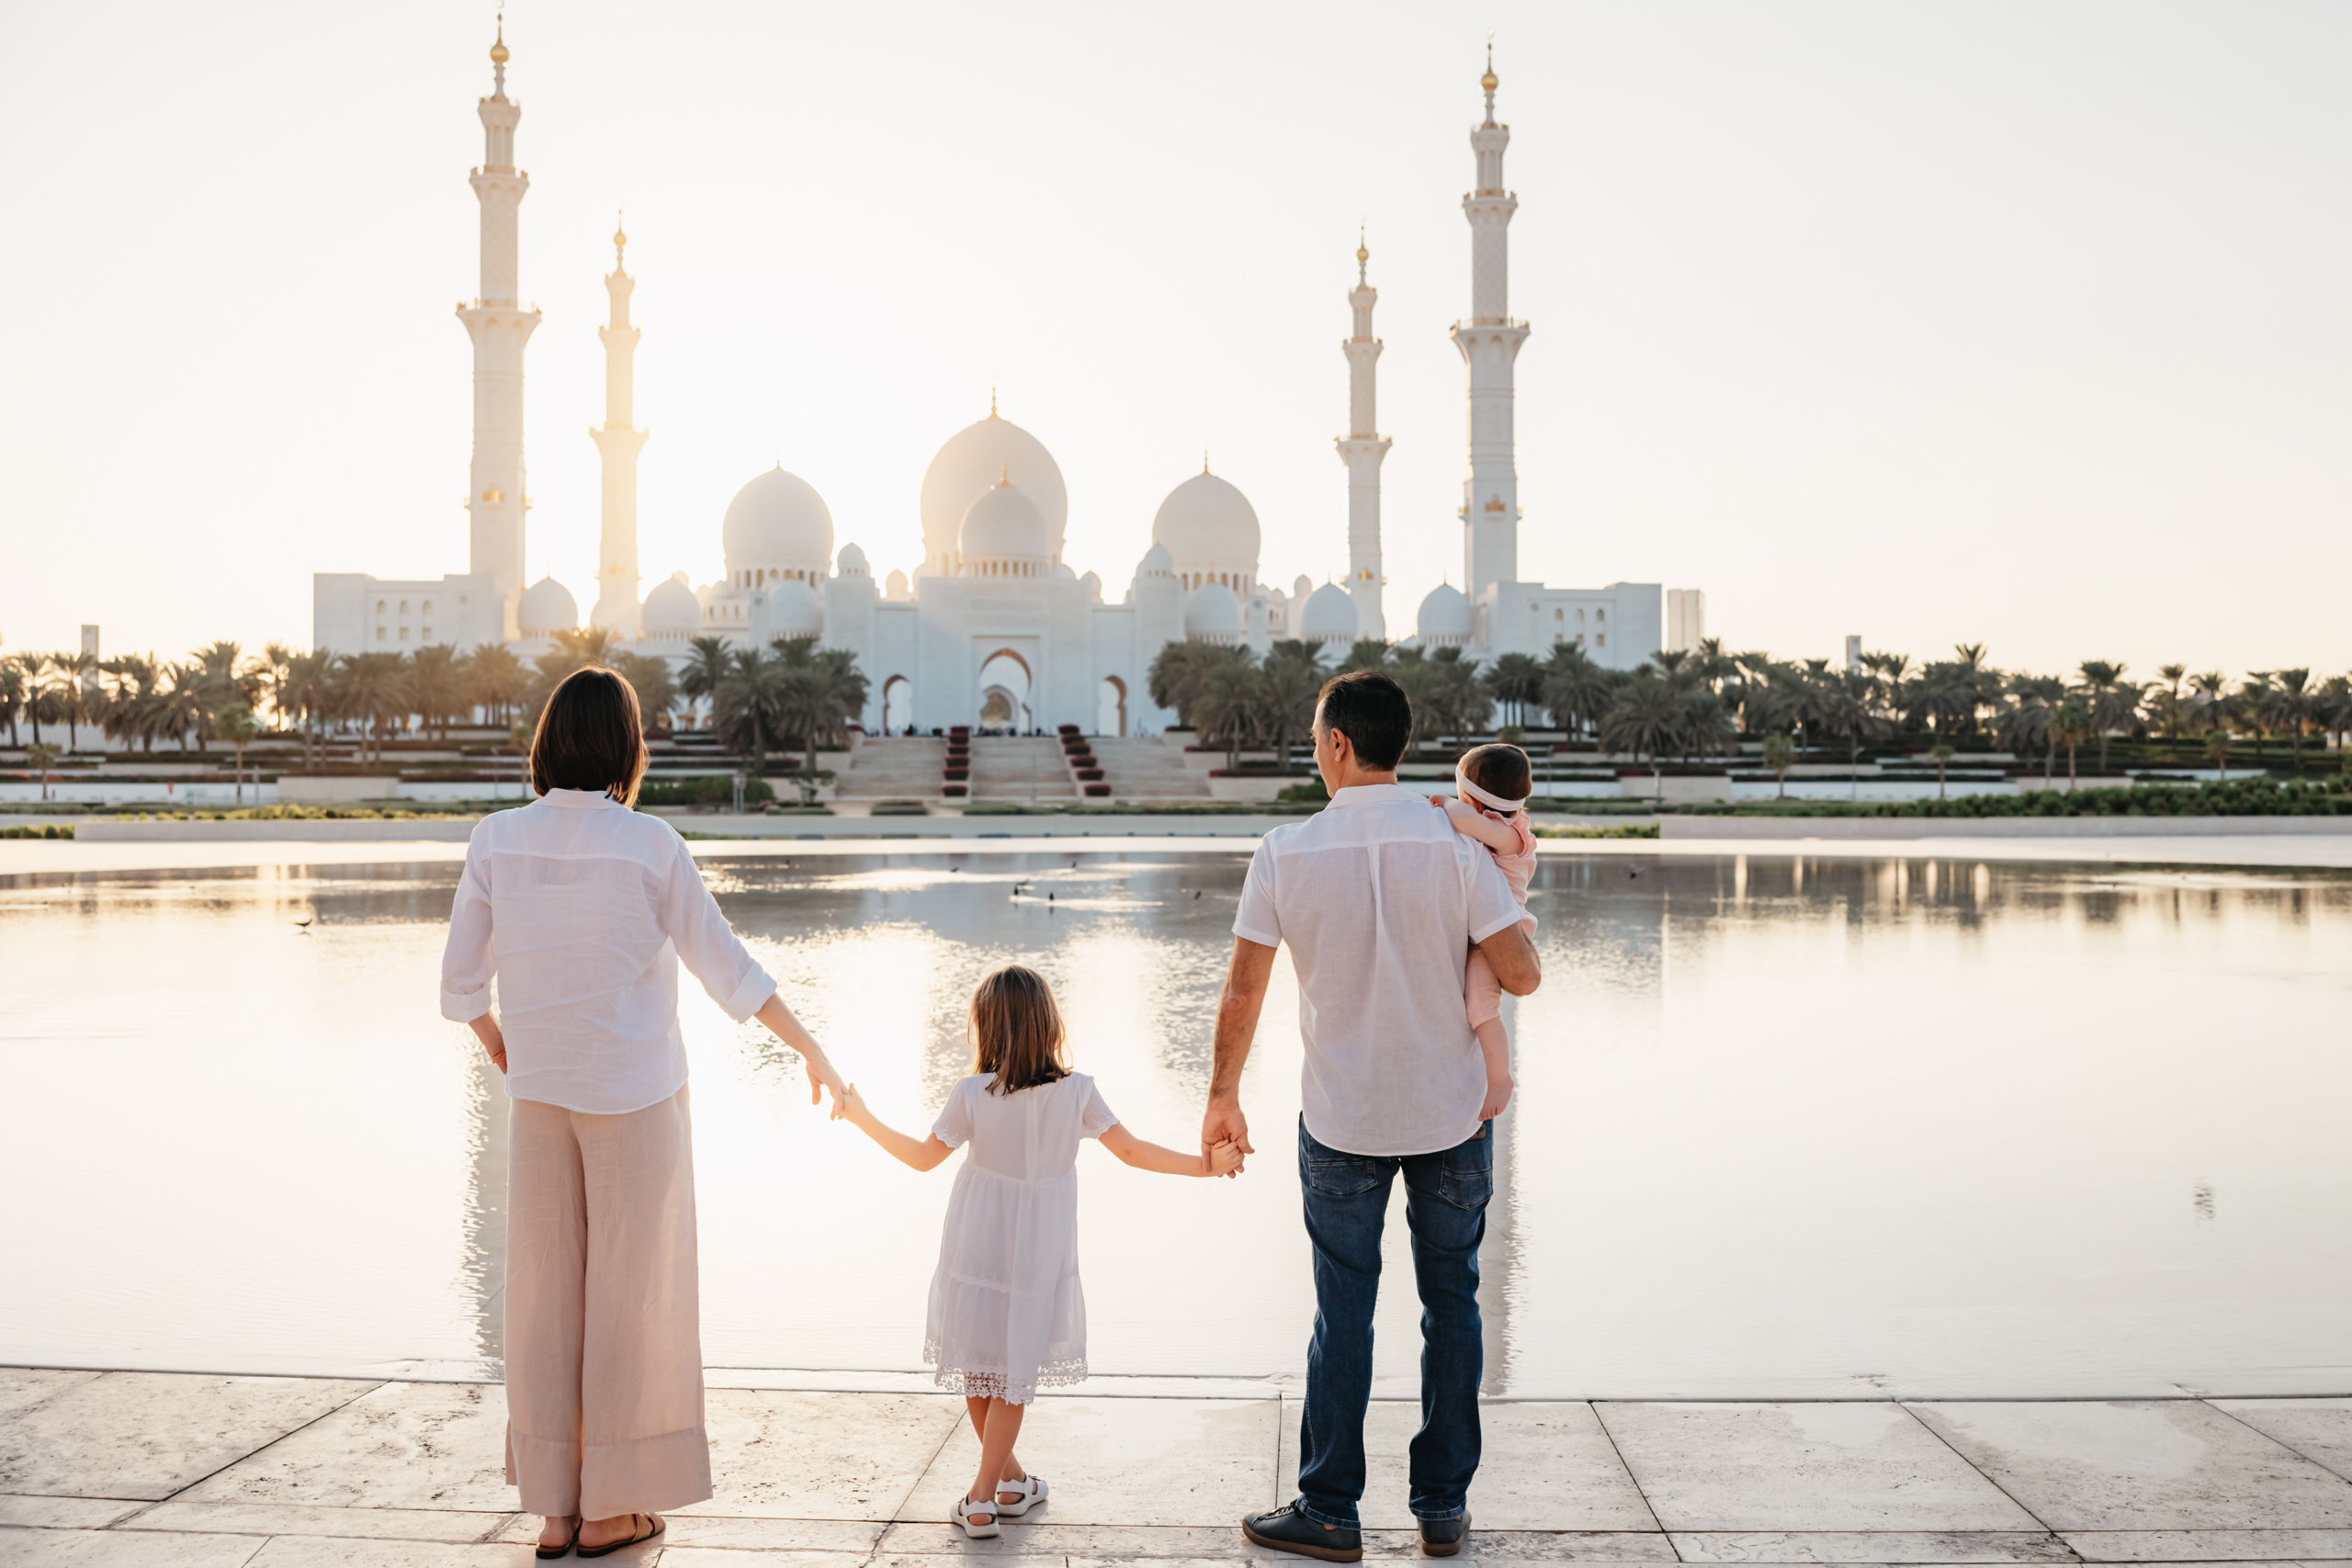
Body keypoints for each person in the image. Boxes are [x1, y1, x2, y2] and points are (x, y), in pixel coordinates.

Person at [439, 666, 847, 1561]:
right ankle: (613, 1508)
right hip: (639, 1099)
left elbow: (461, 983)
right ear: (627, 748)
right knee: (633, 1299)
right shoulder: (649, 845)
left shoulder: (496, 839)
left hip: (539, 1095)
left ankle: (554, 1510)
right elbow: (726, 967)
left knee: (543, 1297)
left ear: (546, 744)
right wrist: (809, 1045)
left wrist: (505, 1048)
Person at [1205, 671, 1542, 1562]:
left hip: (1343, 1121)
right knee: (1453, 1306)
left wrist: (1221, 1096)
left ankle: (1329, 1510)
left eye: (1318, 739)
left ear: (1340, 745)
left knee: (1341, 1314)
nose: (1317, 753)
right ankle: (1439, 1508)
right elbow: (1522, 974)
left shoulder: (1285, 851)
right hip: (1453, 1116)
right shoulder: (1459, 848)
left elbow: (1244, 989)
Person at [831, 964, 1243, 1539]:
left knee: (983, 1366)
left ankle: (1002, 1486)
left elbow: (922, 1159)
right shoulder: (1077, 1091)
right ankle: (987, 1496)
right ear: (1048, 1023)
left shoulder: (974, 1093)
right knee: (1011, 1372)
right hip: (1038, 1255)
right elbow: (1131, 1152)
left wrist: (859, 1115)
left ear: (987, 1028)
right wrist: (1203, 1167)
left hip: (975, 1244)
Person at [1430, 742, 1539, 1122]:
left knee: (1480, 1005)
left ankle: (1499, 1078)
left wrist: (1445, 802)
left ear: (1474, 802)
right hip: (1480, 931)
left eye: (1461, 792)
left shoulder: (1511, 837)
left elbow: (1465, 821)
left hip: (1501, 933)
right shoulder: (1494, 830)